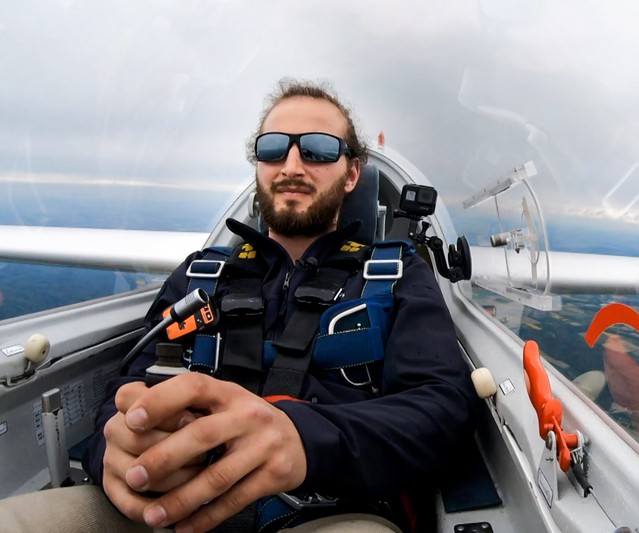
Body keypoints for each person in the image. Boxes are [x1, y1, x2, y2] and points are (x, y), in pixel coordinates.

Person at [0, 78, 478, 533]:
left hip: (325, 508)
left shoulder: (396, 276)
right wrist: (115, 451)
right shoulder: (200, 275)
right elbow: (126, 387)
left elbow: (442, 414)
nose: (292, 165)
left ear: (352, 173)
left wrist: (307, 441)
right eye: (273, 148)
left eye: (317, 149)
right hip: (164, 504)